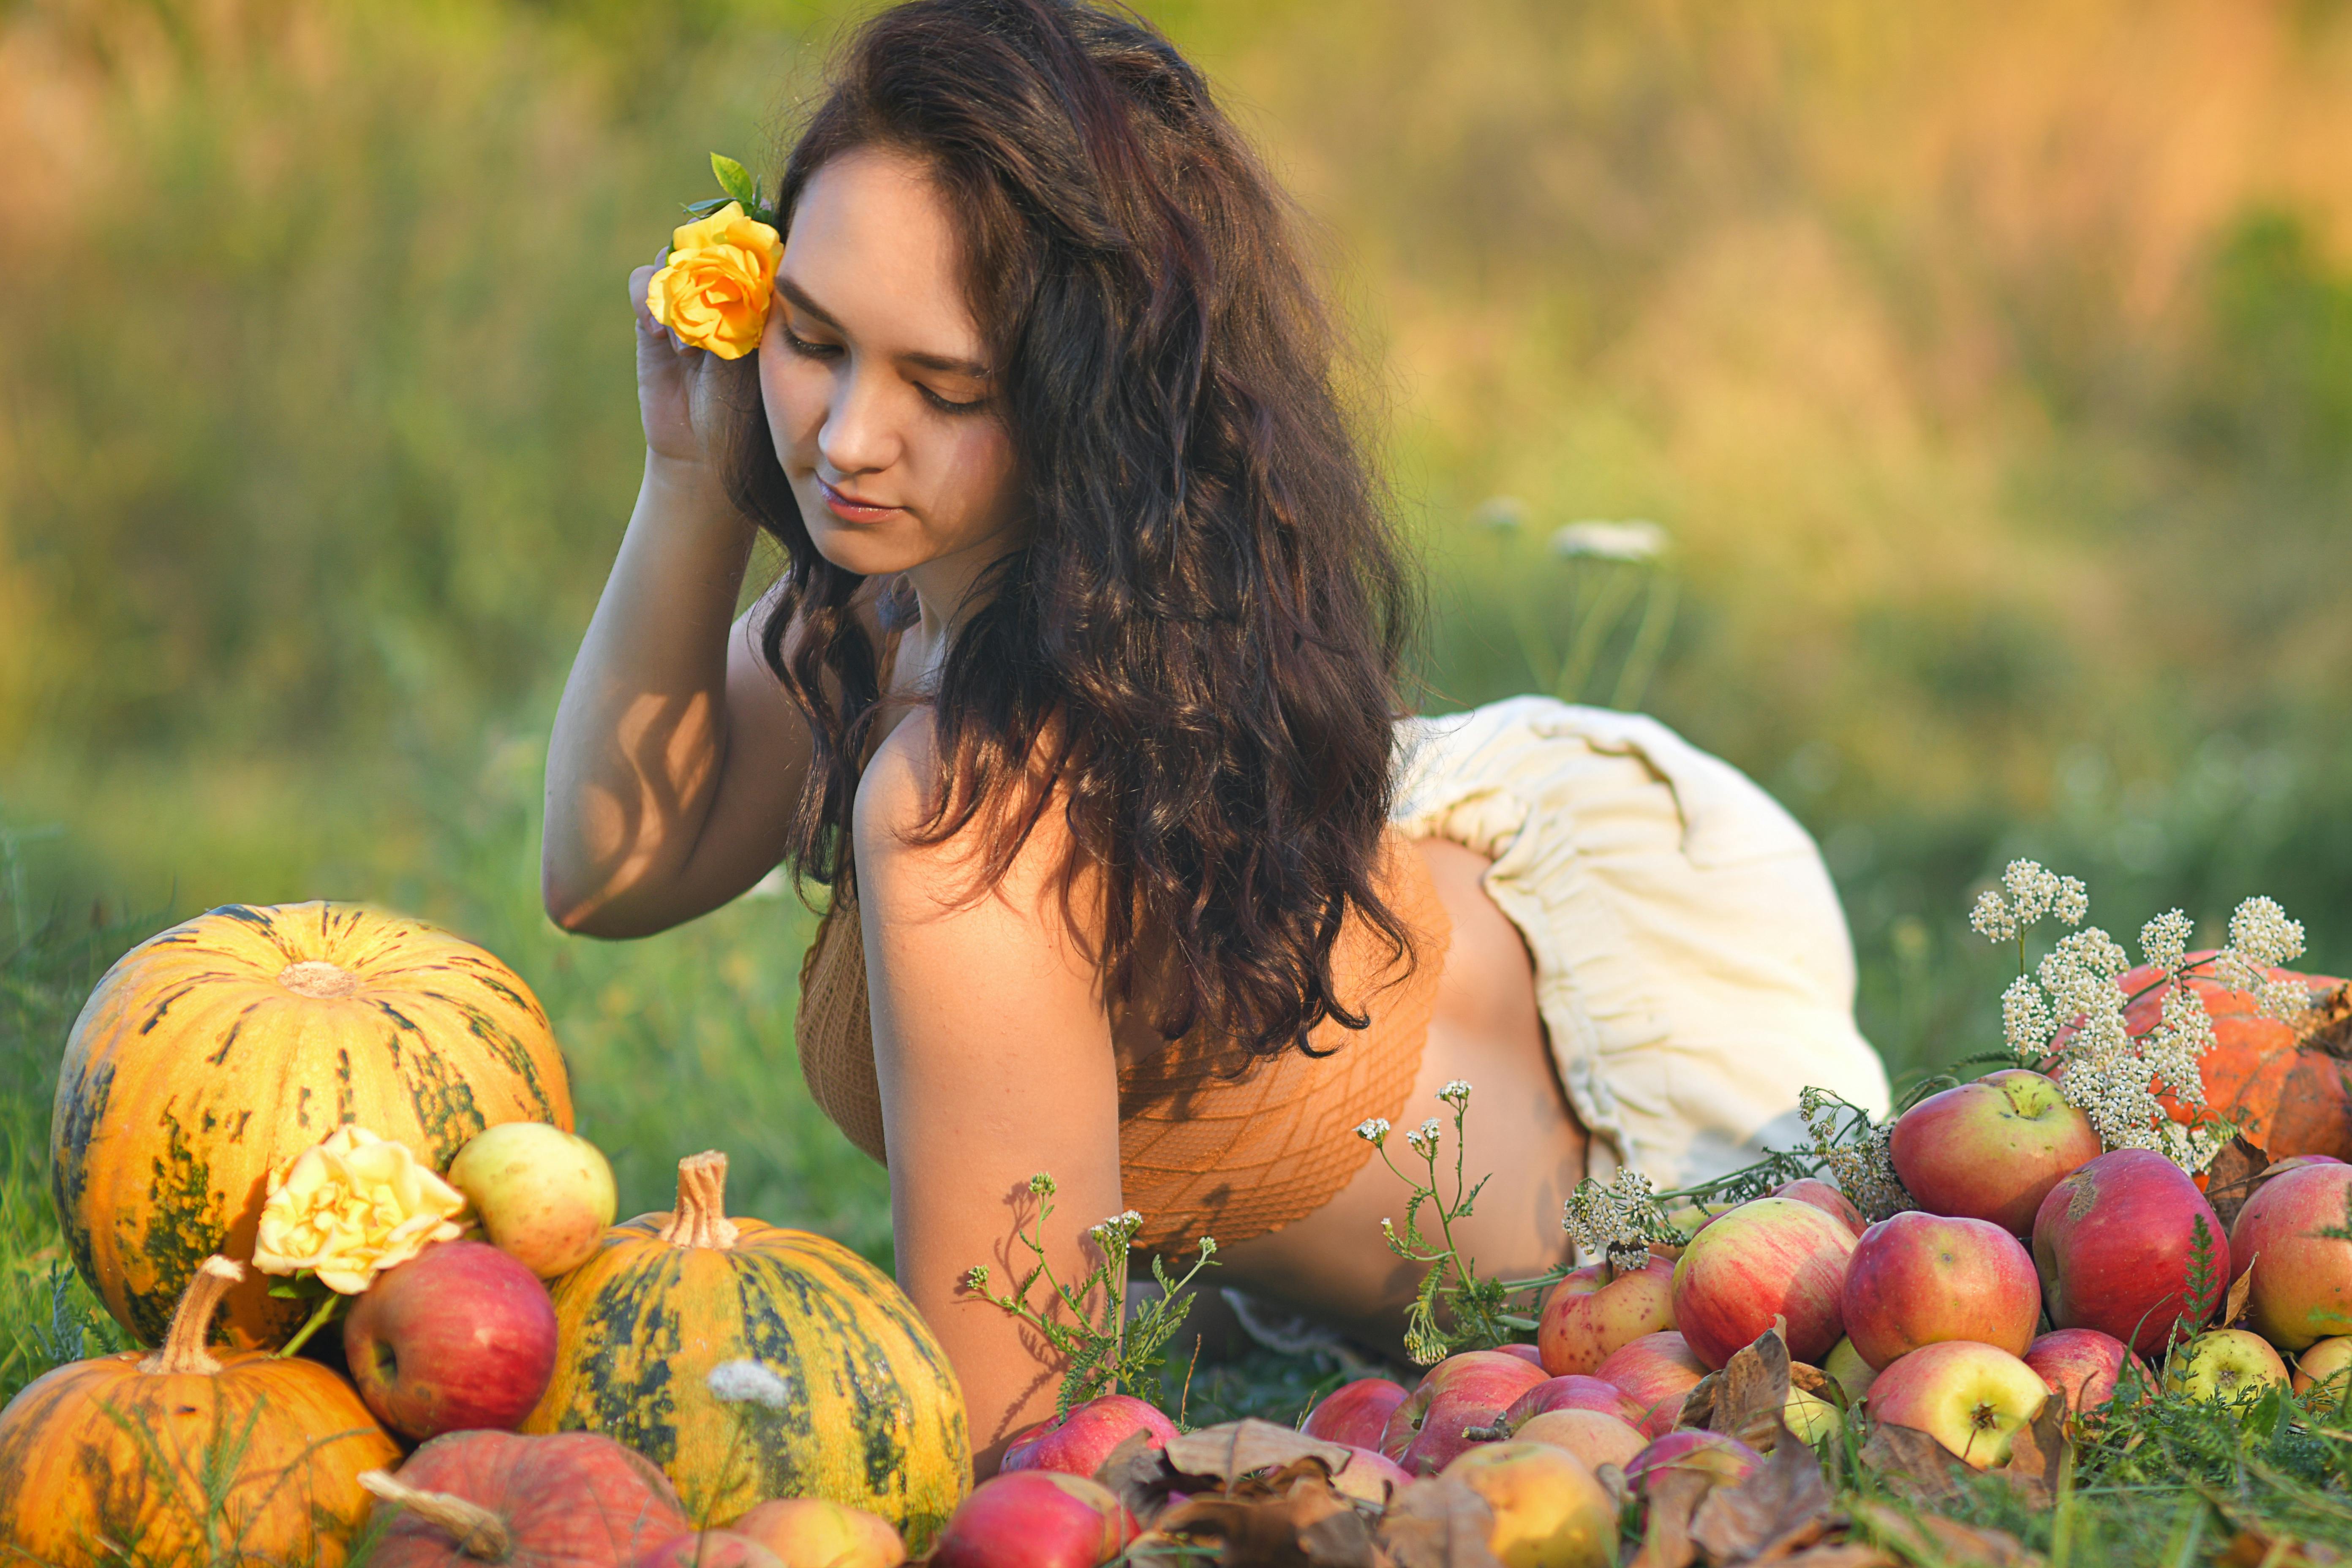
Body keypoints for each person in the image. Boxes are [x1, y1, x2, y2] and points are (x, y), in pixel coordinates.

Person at [541, 0, 1888, 1468]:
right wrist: (689, 467)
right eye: (813, 340)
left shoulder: (975, 802)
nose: (852, 438)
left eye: (948, 387)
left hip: (1659, 1136)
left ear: (1088, 405)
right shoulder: (889, 611)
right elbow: (612, 874)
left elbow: (1011, 1436)